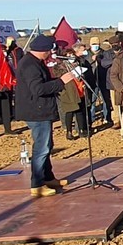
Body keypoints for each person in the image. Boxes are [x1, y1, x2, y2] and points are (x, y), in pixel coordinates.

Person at [16, 35, 78, 197]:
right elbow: (38, 89)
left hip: (42, 110)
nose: (51, 53)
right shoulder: (30, 65)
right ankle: (37, 184)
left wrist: (57, 80)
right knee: (41, 148)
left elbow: (43, 82)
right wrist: (61, 82)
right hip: (37, 112)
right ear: (43, 50)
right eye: (49, 50)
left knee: (47, 146)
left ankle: (48, 177)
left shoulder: (35, 62)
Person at [54, 48, 88, 140]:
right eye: (68, 55)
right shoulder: (60, 67)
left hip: (79, 89)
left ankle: (81, 130)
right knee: (70, 112)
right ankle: (69, 132)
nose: (71, 57)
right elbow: (59, 78)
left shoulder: (78, 65)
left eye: (72, 55)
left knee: (80, 112)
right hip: (68, 92)